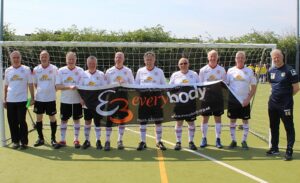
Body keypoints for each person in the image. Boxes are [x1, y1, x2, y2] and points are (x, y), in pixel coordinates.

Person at [266, 49, 299, 161]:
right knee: (273, 126)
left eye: (278, 57)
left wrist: (286, 98)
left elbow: (296, 88)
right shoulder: (271, 71)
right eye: (274, 57)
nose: (276, 59)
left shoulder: (290, 70)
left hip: (285, 104)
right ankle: (274, 148)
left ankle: (289, 150)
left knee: (288, 126)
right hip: (273, 104)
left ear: (282, 57)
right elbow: (272, 85)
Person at [135, 51, 167, 151]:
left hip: (156, 98)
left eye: (151, 59)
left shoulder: (159, 71)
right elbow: (135, 85)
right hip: (143, 99)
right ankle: (143, 141)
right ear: (144, 61)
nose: (149, 61)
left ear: (154, 60)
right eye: (147, 59)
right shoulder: (140, 71)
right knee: (142, 121)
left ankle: (159, 141)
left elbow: (164, 86)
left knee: (158, 121)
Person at [4, 50, 34, 150]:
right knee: (12, 121)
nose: (16, 59)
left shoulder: (26, 69)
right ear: (11, 59)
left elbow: (30, 84)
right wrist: (5, 99)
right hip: (10, 100)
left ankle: (24, 142)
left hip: (22, 100)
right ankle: (15, 141)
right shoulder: (8, 70)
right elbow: (6, 86)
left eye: (17, 57)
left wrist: (32, 97)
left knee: (22, 121)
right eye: (14, 58)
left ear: (20, 58)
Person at [104, 52, 134, 151]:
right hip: (111, 100)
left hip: (123, 99)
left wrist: (125, 84)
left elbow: (133, 85)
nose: (118, 59)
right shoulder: (109, 71)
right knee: (109, 120)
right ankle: (107, 141)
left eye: (120, 57)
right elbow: (105, 86)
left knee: (122, 120)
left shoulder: (128, 71)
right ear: (114, 59)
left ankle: (120, 140)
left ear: (123, 59)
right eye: (117, 57)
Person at [226, 51, 256, 150]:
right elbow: (226, 86)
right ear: (235, 59)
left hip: (244, 101)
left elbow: (253, 87)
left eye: (242, 57)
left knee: (245, 121)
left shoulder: (250, 71)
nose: (240, 59)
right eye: (238, 57)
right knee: (232, 121)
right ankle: (233, 140)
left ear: (245, 59)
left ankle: (244, 141)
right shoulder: (230, 71)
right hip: (233, 101)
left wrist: (248, 99)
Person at [54, 52, 84, 149]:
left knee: (76, 120)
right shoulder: (61, 71)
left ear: (76, 60)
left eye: (72, 59)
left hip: (77, 101)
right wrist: (68, 87)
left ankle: (76, 139)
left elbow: (84, 85)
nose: (71, 61)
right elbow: (57, 86)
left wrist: (82, 98)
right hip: (65, 101)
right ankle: (62, 140)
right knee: (64, 120)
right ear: (66, 60)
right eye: (69, 59)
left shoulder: (80, 70)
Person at [169, 58, 199, 151]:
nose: (183, 65)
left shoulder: (194, 74)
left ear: (188, 64)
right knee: (179, 122)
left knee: (191, 123)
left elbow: (200, 86)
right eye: (181, 63)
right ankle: (178, 142)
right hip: (179, 104)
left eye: (185, 63)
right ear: (178, 65)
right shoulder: (175, 75)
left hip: (191, 103)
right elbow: (169, 88)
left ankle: (191, 142)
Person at [199, 50, 226, 148]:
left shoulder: (222, 70)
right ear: (208, 57)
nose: (213, 58)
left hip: (218, 98)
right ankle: (204, 138)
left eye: (214, 56)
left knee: (218, 119)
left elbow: (225, 84)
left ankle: (218, 139)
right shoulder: (203, 70)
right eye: (211, 56)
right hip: (206, 98)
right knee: (204, 118)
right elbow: (200, 85)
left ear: (217, 57)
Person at [79, 56, 106, 150]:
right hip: (87, 103)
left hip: (98, 104)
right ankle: (87, 140)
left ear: (96, 63)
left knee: (97, 123)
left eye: (93, 63)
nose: (92, 65)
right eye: (90, 63)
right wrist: (81, 98)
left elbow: (105, 88)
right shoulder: (83, 74)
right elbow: (79, 88)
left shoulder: (101, 74)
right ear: (87, 63)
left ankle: (98, 141)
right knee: (87, 122)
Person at [32, 50, 58, 147]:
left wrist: (50, 91)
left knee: (52, 118)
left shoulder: (54, 68)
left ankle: (53, 139)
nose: (44, 58)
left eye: (45, 56)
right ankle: (40, 138)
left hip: (50, 98)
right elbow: (35, 84)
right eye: (42, 56)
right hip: (39, 98)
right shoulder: (36, 69)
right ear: (40, 58)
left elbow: (57, 83)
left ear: (48, 58)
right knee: (39, 118)